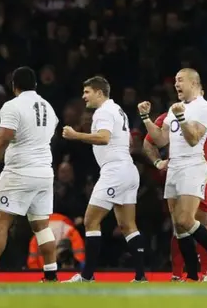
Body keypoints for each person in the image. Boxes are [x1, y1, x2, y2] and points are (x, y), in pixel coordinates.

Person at [0, 67, 59, 283]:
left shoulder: (12, 106)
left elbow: (3, 138)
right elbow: (51, 133)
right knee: (41, 226)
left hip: (20, 171)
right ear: (35, 85)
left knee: (1, 220)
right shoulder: (48, 107)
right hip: (44, 173)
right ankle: (50, 275)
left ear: (14, 85)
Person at [138, 69, 207, 282]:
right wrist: (146, 118)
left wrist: (182, 117)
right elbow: (160, 140)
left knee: (186, 220)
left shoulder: (204, 108)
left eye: (180, 80)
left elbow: (194, 138)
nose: (176, 84)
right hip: (174, 166)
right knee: (178, 227)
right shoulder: (174, 108)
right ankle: (192, 276)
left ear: (193, 82)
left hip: (193, 166)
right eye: (175, 80)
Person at [62, 76, 146, 283]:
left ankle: (87, 276)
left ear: (99, 93)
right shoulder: (117, 109)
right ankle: (140, 276)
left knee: (91, 220)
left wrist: (76, 135)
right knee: (128, 225)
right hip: (128, 170)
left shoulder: (104, 111)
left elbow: (103, 138)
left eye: (87, 92)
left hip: (115, 171)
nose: (84, 96)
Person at [143, 109, 207, 280]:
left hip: (202, 173)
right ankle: (179, 274)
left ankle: (206, 272)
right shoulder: (169, 116)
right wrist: (158, 162)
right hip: (177, 173)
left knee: (201, 223)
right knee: (179, 225)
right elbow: (148, 142)